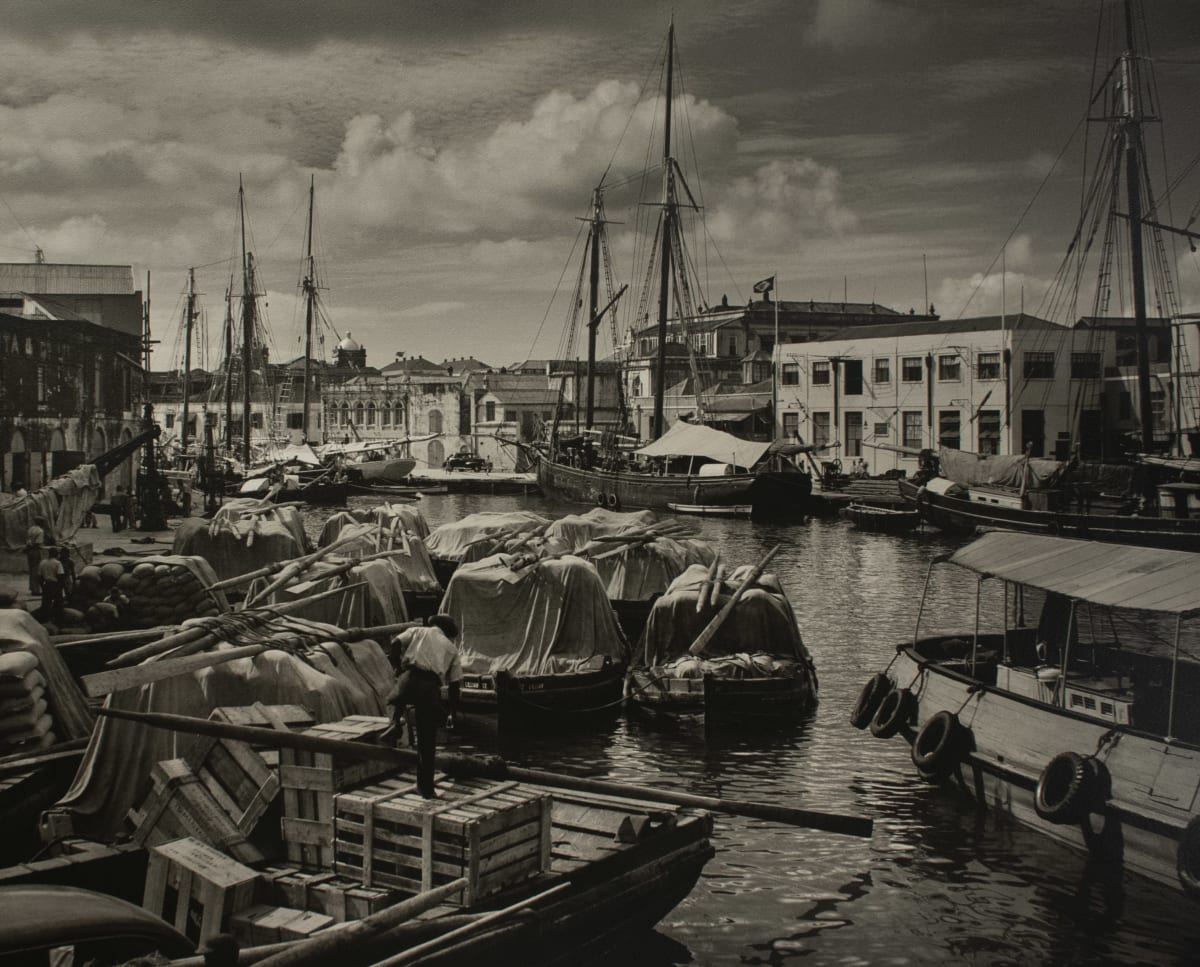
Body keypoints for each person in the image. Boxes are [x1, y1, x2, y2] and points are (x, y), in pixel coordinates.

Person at [386, 614, 463, 798]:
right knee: (427, 741)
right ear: (448, 632)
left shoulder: (419, 630)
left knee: (393, 699)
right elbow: (454, 685)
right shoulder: (452, 649)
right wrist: (452, 712)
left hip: (410, 677)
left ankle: (395, 723)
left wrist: (397, 667)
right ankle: (426, 789)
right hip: (430, 687)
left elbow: (395, 643)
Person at [37, 546, 65, 624]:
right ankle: (58, 620)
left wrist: (42, 587)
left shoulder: (42, 562)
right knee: (58, 604)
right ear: (56, 554)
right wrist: (60, 588)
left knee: (45, 603)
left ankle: (44, 620)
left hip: (46, 584)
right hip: (55, 584)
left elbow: (39, 576)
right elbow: (61, 576)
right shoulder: (57, 563)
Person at [24, 517, 46, 594]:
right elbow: (37, 543)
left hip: (29, 551)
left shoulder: (30, 529)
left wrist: (27, 548)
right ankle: (36, 590)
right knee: (36, 570)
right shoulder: (40, 531)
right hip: (36, 551)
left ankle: (32, 588)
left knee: (31, 569)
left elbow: (28, 541)